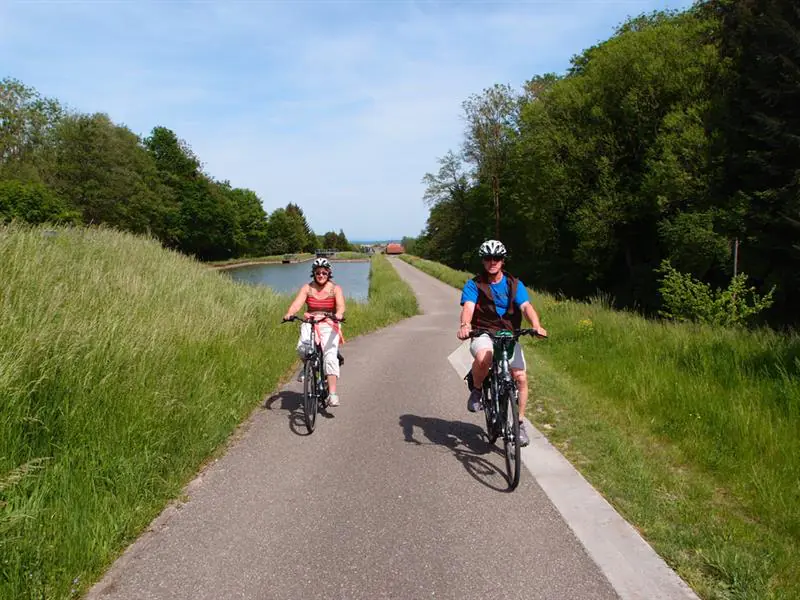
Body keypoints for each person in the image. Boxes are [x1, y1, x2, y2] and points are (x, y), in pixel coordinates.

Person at [456, 240, 547, 447]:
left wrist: (536, 325)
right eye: (488, 258)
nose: (492, 262)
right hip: (484, 331)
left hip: (508, 334)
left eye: (496, 258)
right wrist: (465, 325)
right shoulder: (474, 284)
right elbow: (469, 306)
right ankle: (477, 389)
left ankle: (520, 423)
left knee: (520, 377)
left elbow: (526, 307)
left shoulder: (515, 284)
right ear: (483, 261)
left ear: (503, 260)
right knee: (484, 356)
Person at [283, 257, 346, 407]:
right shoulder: (307, 288)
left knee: (330, 356)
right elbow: (297, 304)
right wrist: (289, 313)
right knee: (303, 348)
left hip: (329, 322)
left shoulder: (335, 289)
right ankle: (307, 366)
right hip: (310, 321)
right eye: (318, 272)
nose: (321, 275)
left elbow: (341, 306)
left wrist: (338, 315)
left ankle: (332, 394)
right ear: (314, 273)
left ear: (329, 273)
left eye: (324, 272)